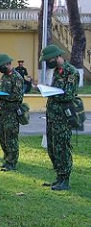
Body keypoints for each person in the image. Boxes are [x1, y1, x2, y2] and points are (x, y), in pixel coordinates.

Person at [40, 45, 79, 191]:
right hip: (52, 116)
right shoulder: (57, 71)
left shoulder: (71, 72)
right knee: (52, 147)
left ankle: (65, 179)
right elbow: (59, 91)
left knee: (62, 148)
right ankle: (59, 177)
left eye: (48, 59)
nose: (47, 62)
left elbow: (68, 94)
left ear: (56, 57)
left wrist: (50, 92)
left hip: (63, 117)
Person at [0, 53, 24, 171]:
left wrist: (3, 96)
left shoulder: (17, 77)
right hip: (3, 112)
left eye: (1, 66)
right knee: (3, 137)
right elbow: (3, 90)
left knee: (11, 138)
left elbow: (17, 96)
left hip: (12, 112)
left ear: (8, 64)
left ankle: (12, 162)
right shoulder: (4, 77)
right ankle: (6, 159)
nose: (0, 69)